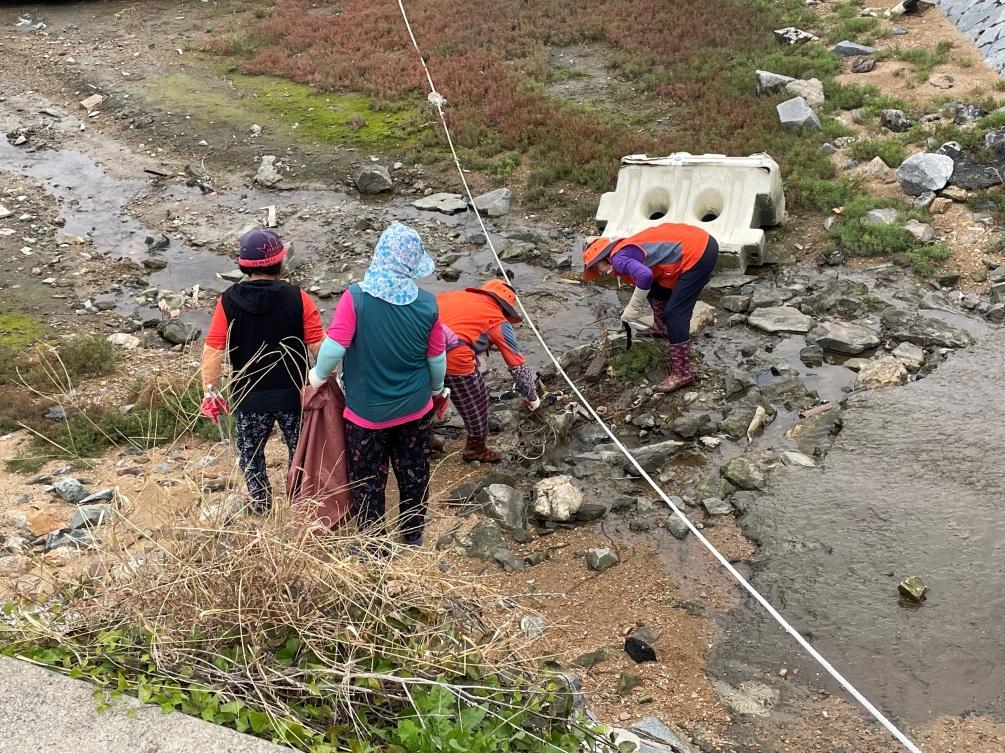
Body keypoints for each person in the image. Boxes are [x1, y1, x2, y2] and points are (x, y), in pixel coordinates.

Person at [307, 222, 446, 547]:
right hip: (415, 408)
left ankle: (373, 544)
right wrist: (437, 389)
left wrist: (317, 377)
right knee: (413, 473)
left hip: (366, 415)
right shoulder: (428, 304)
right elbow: (436, 358)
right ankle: (412, 534)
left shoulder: (355, 298)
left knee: (368, 478)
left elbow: (334, 347)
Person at [200, 228, 324, 513]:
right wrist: (332, 377)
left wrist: (211, 391)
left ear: (243, 265)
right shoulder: (298, 297)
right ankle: (300, 502)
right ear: (280, 261)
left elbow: (214, 348)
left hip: (249, 396)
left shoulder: (228, 300)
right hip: (293, 393)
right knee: (300, 453)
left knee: (251, 455)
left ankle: (260, 504)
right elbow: (318, 344)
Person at [582, 222, 718, 393]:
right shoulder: (622, 249)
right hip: (698, 241)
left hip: (699, 252)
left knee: (675, 313)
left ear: (603, 258)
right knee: (655, 287)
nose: (598, 272)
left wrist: (633, 307)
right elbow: (649, 276)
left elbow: (645, 275)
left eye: (596, 267)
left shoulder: (618, 258)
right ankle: (661, 328)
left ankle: (682, 373)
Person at [436, 279, 540, 462]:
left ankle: (423, 439)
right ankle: (476, 449)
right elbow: (517, 365)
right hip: (454, 358)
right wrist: (532, 397)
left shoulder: (452, 296)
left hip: (417, 350)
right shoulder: (497, 318)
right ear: (505, 308)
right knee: (477, 400)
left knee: (426, 398)